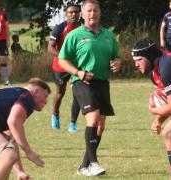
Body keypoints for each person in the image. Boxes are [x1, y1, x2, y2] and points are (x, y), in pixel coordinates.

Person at [58, 0, 121, 176]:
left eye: (95, 10)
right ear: (83, 15)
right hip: (82, 83)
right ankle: (93, 163)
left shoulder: (108, 35)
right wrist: (77, 72)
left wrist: (116, 63)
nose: (92, 13)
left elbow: (116, 57)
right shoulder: (75, 35)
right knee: (92, 120)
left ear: (99, 13)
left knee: (100, 126)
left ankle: (84, 166)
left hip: (102, 83)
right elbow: (62, 60)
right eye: (89, 11)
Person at [131, 38, 171, 180]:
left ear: (149, 56)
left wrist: (153, 110)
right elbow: (169, 103)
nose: (136, 65)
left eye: (138, 60)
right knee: (169, 132)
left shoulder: (167, 65)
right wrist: (158, 120)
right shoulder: (154, 73)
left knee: (170, 131)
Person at [0, 77, 51, 180]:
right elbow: (14, 121)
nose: (46, 101)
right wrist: (29, 151)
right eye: (45, 96)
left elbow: (11, 137)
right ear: (36, 91)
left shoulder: (12, 96)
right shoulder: (27, 97)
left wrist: (20, 171)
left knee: (7, 154)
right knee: (8, 155)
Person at [48, 3, 81, 132]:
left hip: (77, 66)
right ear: (66, 14)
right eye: (70, 12)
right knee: (60, 93)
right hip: (60, 66)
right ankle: (55, 115)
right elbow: (50, 47)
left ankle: (73, 123)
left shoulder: (83, 28)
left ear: (80, 14)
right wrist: (63, 57)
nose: (73, 14)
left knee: (78, 94)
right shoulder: (60, 27)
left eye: (76, 12)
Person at [0, 0, 10, 85]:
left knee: (3, 60)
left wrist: (8, 40)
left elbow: (7, 27)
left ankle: (5, 79)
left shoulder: (3, 14)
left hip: (1, 41)